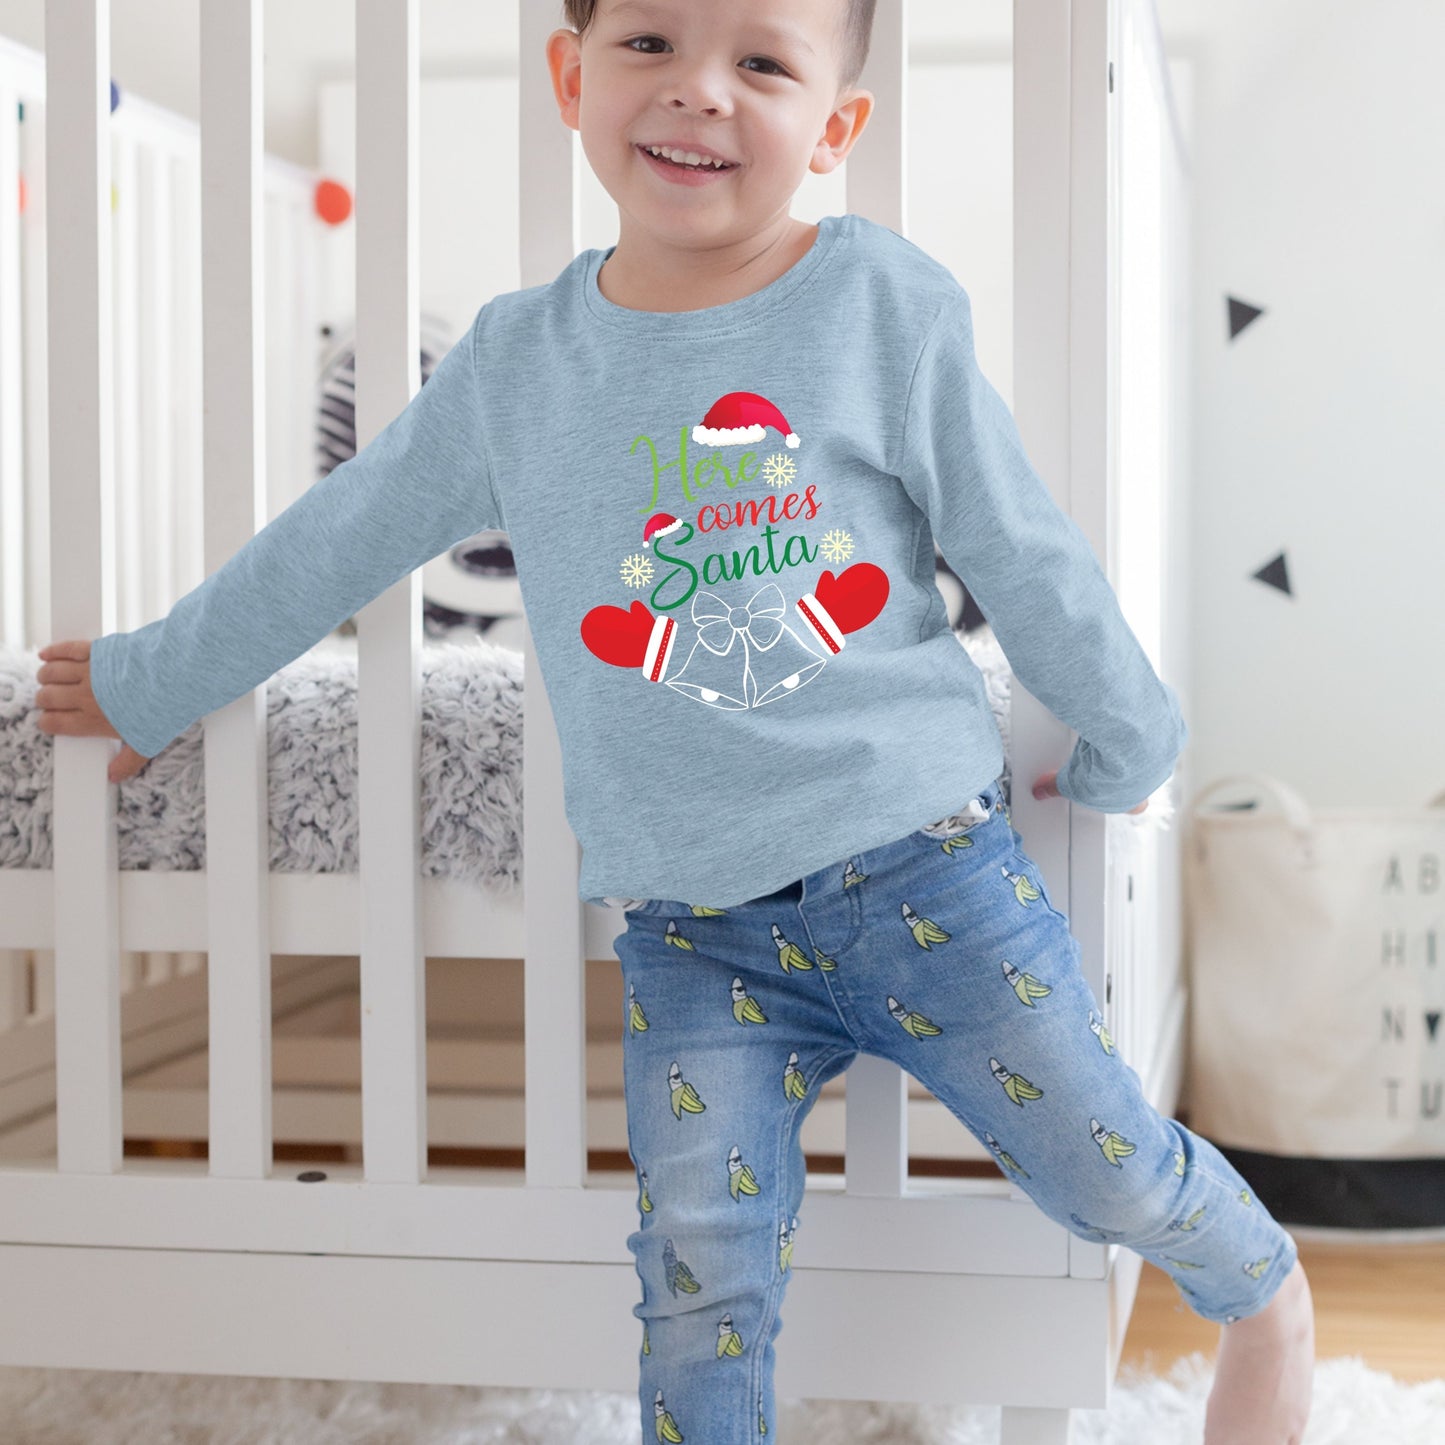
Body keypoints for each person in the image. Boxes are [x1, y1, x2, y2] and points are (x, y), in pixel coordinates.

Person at [33, 1, 1314, 1440]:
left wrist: (1128, 733)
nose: (699, 90)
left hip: (924, 871)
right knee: (698, 1289)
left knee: (1104, 1164)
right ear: (570, 73)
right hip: (698, 932)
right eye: (649, 42)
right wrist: (156, 677)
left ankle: (1260, 1287)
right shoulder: (519, 364)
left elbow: (1020, 546)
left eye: (760, 61)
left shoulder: (879, 304)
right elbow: (339, 535)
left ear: (834, 125)